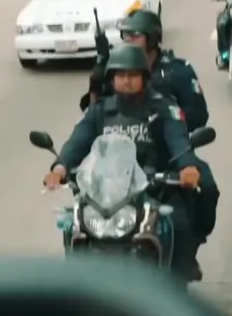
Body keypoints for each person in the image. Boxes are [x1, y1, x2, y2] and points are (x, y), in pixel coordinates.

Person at [43, 45, 203, 281]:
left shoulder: (163, 109)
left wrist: (187, 167)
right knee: (74, 225)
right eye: (121, 75)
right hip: (106, 191)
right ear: (112, 79)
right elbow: (78, 140)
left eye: (133, 75)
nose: (126, 80)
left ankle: (175, 289)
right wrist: (60, 168)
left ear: (144, 77)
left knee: (179, 226)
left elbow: (178, 140)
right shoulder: (100, 111)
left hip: (154, 189)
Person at [111, 9, 220, 245]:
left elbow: (199, 115)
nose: (128, 40)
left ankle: (191, 245)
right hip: (119, 156)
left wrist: (169, 125)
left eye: (135, 35)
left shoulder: (178, 70)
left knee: (206, 188)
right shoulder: (115, 68)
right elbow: (95, 114)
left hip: (169, 155)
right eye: (125, 35)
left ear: (152, 38)